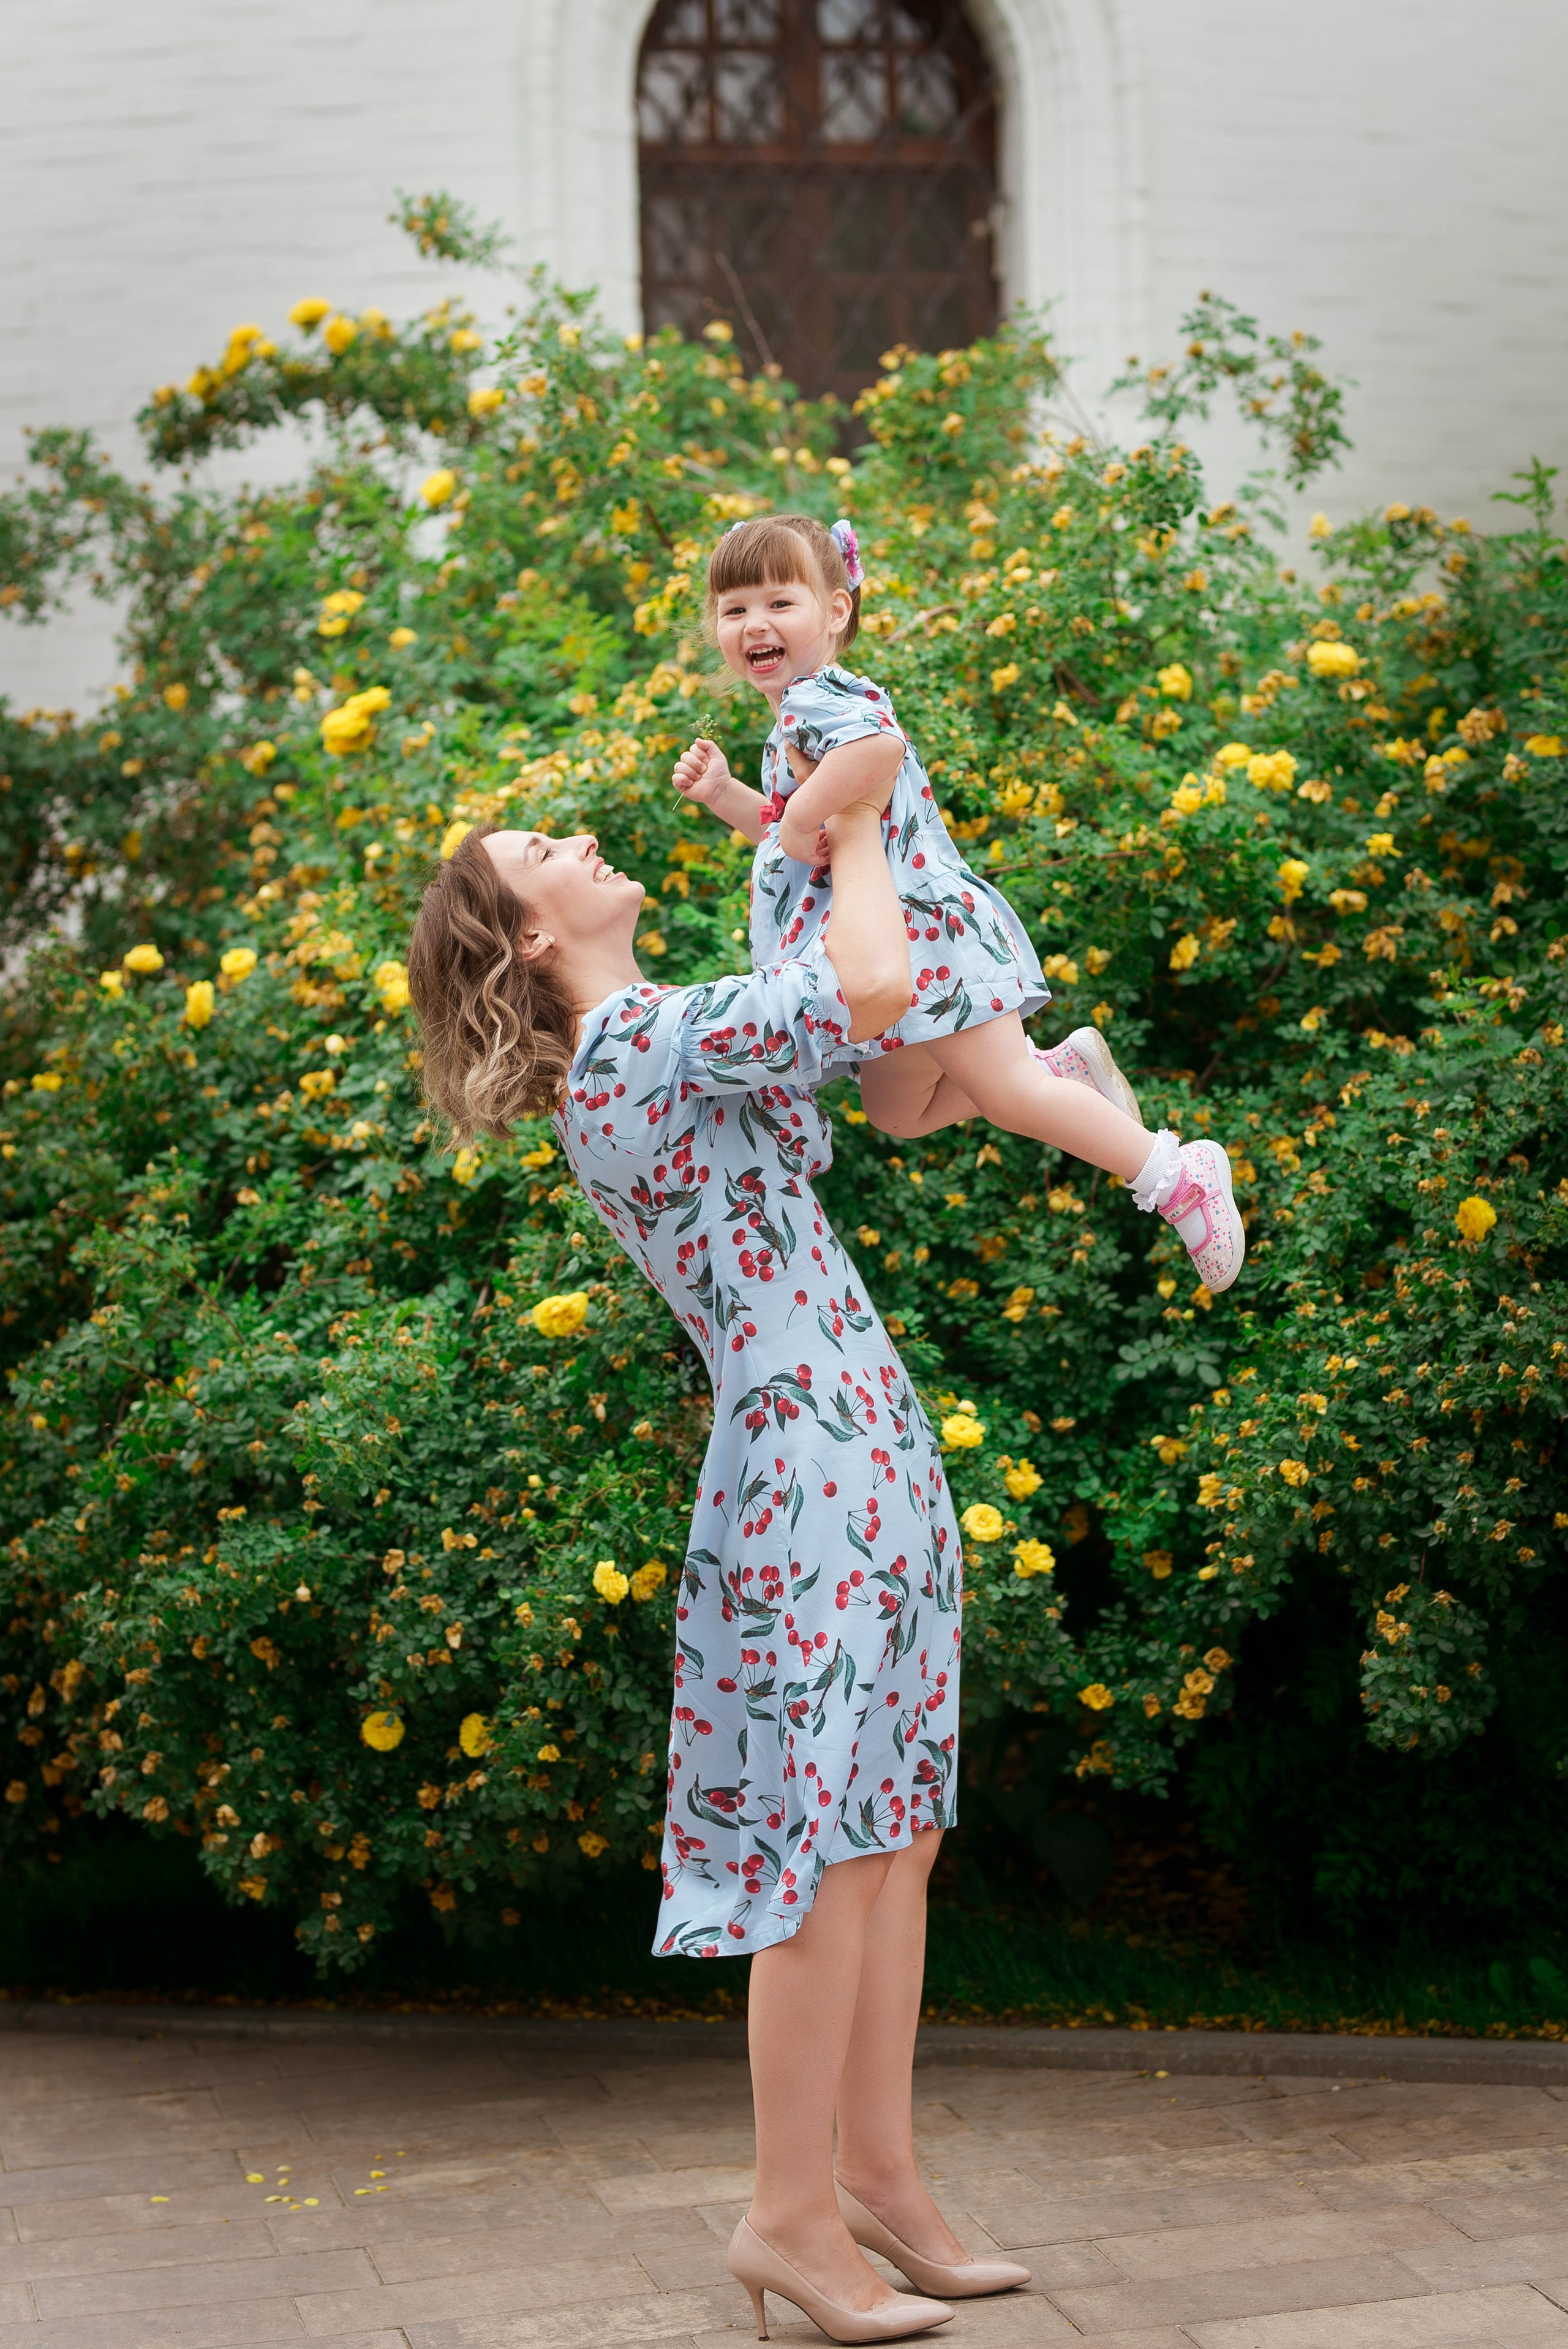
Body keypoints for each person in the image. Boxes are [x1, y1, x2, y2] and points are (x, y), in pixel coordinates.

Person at [408, 810, 1030, 2342]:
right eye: (540, 843)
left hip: (857, 1443)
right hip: (806, 1469)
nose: (581, 831)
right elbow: (869, 982)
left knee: (895, 1833)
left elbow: (898, 1077)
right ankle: (786, 2211)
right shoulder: (636, 1040)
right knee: (824, 1855)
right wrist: (868, 808)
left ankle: (876, 2173)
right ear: (534, 937)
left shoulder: (670, 1031)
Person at [672, 510, 1245, 1295]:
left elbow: (880, 749)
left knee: (1010, 1097)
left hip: (919, 937)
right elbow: (795, 847)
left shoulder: (818, 701)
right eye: (734, 609)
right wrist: (727, 795)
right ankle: (1062, 1071)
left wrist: (804, 814)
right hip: (883, 954)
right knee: (898, 1111)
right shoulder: (792, 721)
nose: (754, 623)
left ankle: (1174, 1173)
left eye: (778, 602)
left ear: (835, 611)